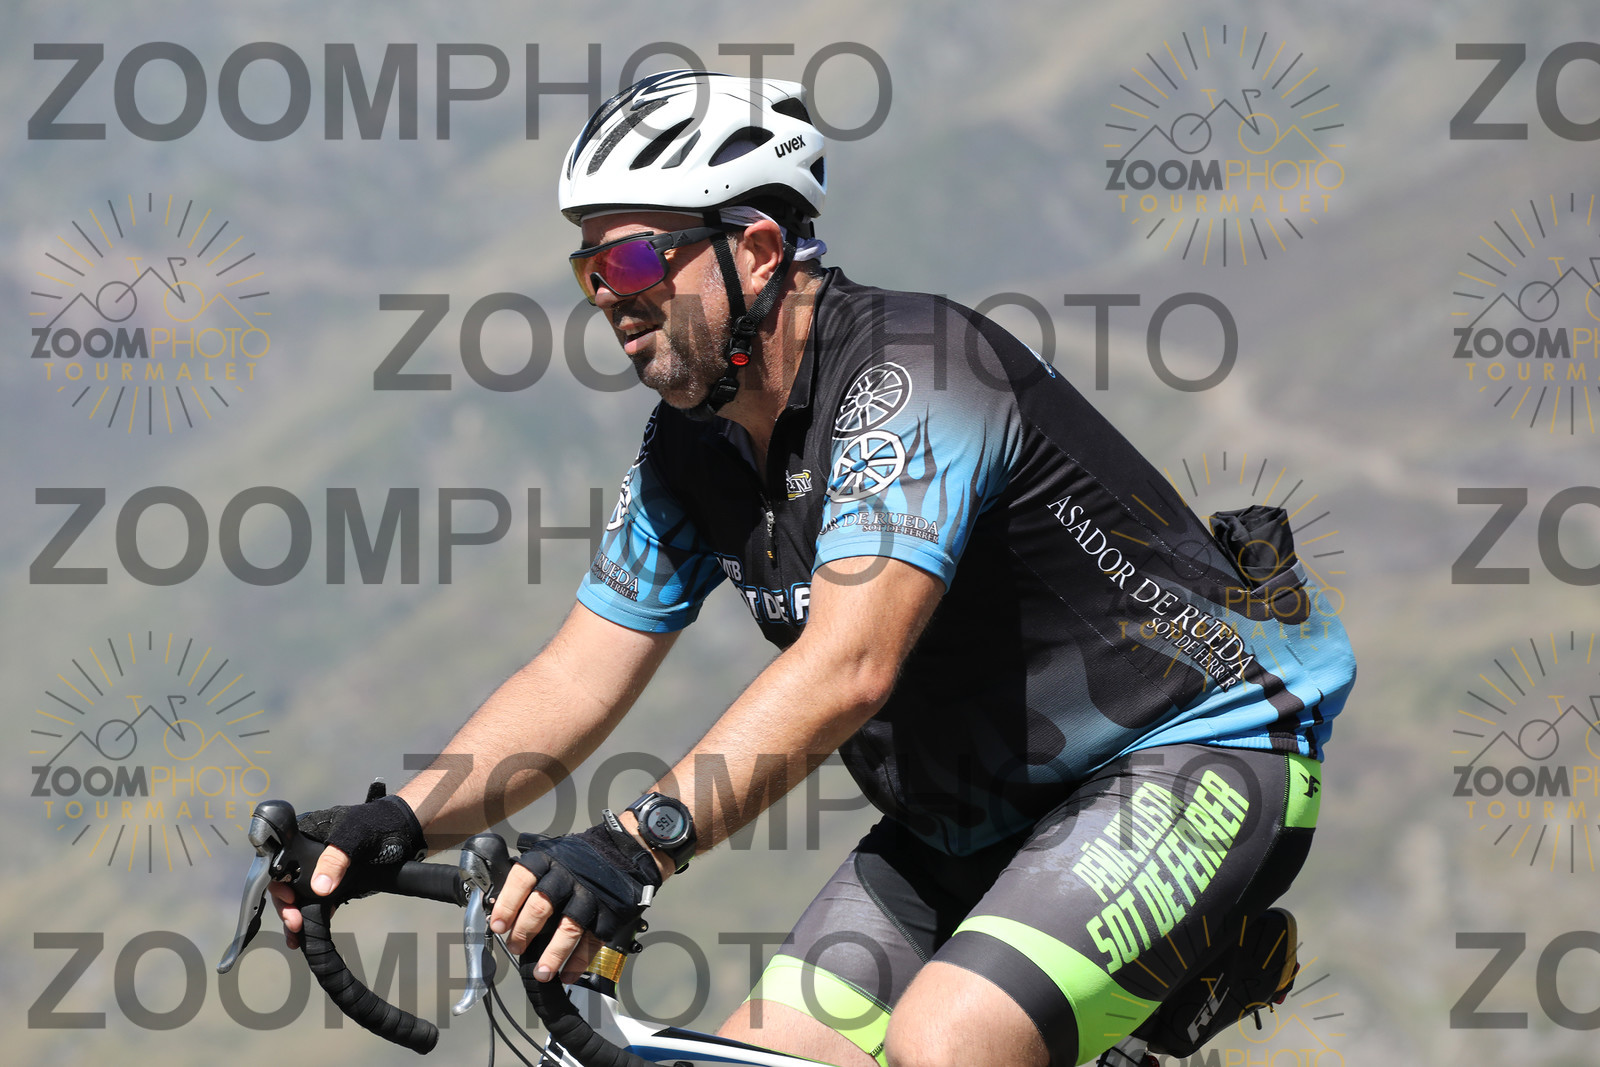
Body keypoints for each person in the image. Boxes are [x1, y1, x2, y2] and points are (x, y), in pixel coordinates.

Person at [273, 71, 1356, 1067]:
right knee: (760, 1057)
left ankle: (1161, 984)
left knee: (948, 1042)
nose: (609, 294)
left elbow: (850, 664)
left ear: (755, 249)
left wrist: (636, 845)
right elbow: (576, 674)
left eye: (637, 260)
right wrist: (400, 821)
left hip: (1191, 753)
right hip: (964, 825)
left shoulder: (916, 373)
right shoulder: (689, 448)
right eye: (590, 269)